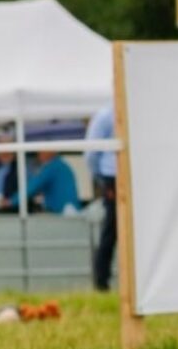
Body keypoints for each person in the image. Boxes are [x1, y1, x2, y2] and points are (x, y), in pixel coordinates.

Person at [86, 105, 119, 290]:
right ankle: (101, 282)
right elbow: (92, 152)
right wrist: (101, 178)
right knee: (111, 230)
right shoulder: (106, 115)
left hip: (123, 176)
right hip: (112, 177)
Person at [25, 150, 82, 215]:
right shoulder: (61, 164)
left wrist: (12, 201)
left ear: (50, 152)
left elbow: (31, 187)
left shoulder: (52, 167)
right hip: (69, 210)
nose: (38, 154)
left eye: (41, 152)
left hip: (64, 213)